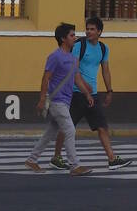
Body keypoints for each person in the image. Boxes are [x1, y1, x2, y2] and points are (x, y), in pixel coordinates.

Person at [50, 16, 131, 170]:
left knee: (101, 126)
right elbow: (73, 68)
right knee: (67, 126)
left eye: (92, 29)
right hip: (76, 93)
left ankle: (112, 159)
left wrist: (109, 90)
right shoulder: (79, 45)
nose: (88, 31)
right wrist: (83, 86)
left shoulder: (103, 48)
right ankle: (57, 156)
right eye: (87, 28)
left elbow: (106, 70)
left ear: (100, 31)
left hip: (92, 94)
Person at [26, 22, 93, 175]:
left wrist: (87, 94)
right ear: (63, 39)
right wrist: (42, 99)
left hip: (65, 101)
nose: (74, 38)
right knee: (70, 130)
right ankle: (75, 166)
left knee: (50, 133)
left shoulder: (73, 59)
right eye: (71, 35)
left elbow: (77, 79)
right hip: (57, 101)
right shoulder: (55, 57)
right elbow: (45, 78)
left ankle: (31, 160)